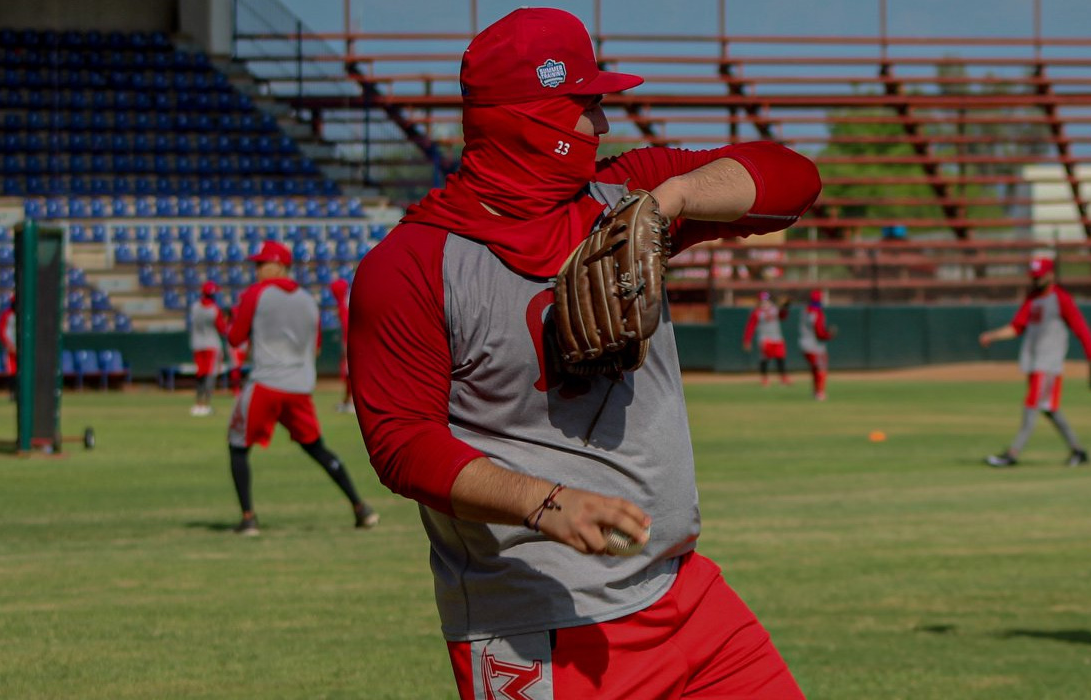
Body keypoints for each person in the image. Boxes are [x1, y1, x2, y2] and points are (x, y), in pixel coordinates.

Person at [349, 8, 820, 697]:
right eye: (587, 106)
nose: (602, 126)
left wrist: (676, 198)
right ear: (533, 116)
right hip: (542, 624)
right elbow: (400, 442)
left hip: (686, 597)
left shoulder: (623, 199)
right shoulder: (412, 264)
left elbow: (794, 178)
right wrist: (543, 502)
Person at [224, 242, 377, 535]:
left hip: (266, 383)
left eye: (262, 264)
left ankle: (248, 519)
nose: (257, 270)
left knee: (238, 446)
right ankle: (361, 508)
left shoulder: (256, 293)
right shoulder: (308, 300)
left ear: (280, 265)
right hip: (299, 387)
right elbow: (316, 348)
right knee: (316, 448)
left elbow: (234, 338)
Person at [978, 257, 1091, 467]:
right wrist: (992, 336)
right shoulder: (1032, 299)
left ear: (1050, 275)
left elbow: (1081, 328)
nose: (1035, 280)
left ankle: (1012, 454)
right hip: (1034, 362)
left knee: (1031, 406)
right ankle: (1078, 451)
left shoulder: (1061, 298)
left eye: (1039, 276)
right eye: (1033, 277)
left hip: (1048, 364)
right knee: (1049, 410)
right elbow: (1017, 327)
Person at [188, 281, 231, 416]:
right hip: (211, 344)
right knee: (210, 374)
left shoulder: (194, 307)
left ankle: (198, 404)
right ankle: (206, 404)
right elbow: (222, 329)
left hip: (197, 344)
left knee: (200, 373)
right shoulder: (214, 309)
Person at [743, 292, 793, 387]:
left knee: (780, 358)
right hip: (765, 339)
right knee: (765, 359)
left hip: (777, 338)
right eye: (762, 301)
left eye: (767, 300)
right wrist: (747, 340)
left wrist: (786, 306)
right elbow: (750, 326)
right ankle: (764, 379)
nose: (765, 303)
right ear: (759, 302)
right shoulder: (756, 312)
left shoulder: (775, 309)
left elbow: (783, 316)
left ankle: (783, 378)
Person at [797, 290, 833, 401]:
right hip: (815, 345)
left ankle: (815, 392)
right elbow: (819, 333)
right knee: (821, 369)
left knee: (815, 369)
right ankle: (820, 393)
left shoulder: (805, 311)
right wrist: (829, 335)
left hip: (804, 344)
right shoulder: (818, 313)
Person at [329, 278, 354, 414]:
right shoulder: (343, 302)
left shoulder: (344, 304)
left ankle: (351, 402)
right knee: (348, 373)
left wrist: (346, 346)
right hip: (351, 340)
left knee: (351, 373)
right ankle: (347, 400)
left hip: (352, 342)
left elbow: (347, 327)